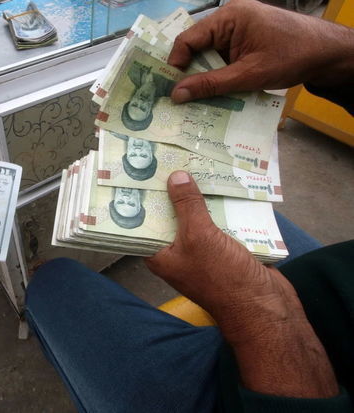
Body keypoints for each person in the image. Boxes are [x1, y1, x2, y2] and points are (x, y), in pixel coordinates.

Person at [26, 0, 353, 412]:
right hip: (334, 285)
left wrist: (261, 310)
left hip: (270, 388)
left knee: (51, 284)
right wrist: (339, 55)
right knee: (246, 209)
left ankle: (37, 288)